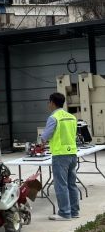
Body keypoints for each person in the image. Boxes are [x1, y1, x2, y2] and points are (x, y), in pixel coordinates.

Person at [41, 92, 79, 221]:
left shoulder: (54, 118)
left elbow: (45, 136)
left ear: (52, 103)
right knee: (71, 184)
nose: (48, 104)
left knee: (61, 185)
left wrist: (42, 141)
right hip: (72, 153)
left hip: (60, 155)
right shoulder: (72, 117)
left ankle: (64, 213)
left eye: (49, 102)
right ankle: (74, 211)